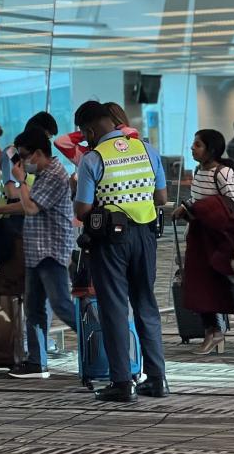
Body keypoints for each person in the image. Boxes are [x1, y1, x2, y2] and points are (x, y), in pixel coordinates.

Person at [72, 101, 168, 402]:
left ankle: (122, 382)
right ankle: (157, 379)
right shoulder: (147, 150)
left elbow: (83, 208)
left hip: (111, 240)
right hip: (146, 235)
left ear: (89, 129)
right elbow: (161, 196)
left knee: (113, 308)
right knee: (146, 305)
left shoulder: (93, 159)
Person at [0, 126, 76, 379]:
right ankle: (36, 361)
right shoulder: (45, 174)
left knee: (62, 305)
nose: (22, 162)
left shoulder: (55, 175)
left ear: (38, 153)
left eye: (24, 156)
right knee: (34, 307)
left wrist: (21, 179)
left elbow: (32, 207)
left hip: (51, 251)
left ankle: (101, 341)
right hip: (36, 252)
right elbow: (26, 206)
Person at [175, 129, 234, 354]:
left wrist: (198, 209)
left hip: (224, 240)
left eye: (198, 145)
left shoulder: (223, 173)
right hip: (201, 239)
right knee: (201, 287)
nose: (193, 148)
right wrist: (188, 209)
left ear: (211, 149)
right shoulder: (198, 171)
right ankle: (212, 331)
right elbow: (196, 200)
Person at [55, 102, 138, 166]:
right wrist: (87, 132)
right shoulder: (88, 155)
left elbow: (131, 133)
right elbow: (61, 142)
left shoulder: (130, 142)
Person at [0, 111, 58, 202]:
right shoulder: (12, 153)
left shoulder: (36, 157)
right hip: (12, 212)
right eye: (45, 138)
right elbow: (12, 192)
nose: (46, 143)